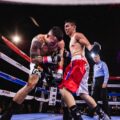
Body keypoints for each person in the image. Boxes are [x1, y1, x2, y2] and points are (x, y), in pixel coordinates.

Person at [0, 26, 65, 120]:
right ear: (47, 36)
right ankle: (8, 113)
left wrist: (59, 70)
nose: (53, 45)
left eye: (55, 43)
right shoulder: (37, 41)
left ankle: (66, 112)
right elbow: (34, 59)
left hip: (51, 65)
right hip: (38, 63)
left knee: (61, 84)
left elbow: (60, 58)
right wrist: (48, 60)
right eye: (51, 43)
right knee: (31, 84)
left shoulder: (60, 43)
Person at [59, 19, 110, 120]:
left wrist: (93, 48)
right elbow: (77, 51)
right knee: (83, 94)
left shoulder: (77, 35)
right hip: (78, 63)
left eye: (68, 26)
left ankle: (71, 116)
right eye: (65, 27)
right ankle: (102, 114)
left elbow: (88, 45)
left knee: (63, 88)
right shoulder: (72, 40)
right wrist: (67, 54)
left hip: (79, 64)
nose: (66, 28)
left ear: (74, 27)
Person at [91, 53, 110, 118]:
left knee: (104, 98)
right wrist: (93, 84)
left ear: (99, 57)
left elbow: (106, 73)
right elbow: (94, 76)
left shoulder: (103, 63)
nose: (95, 58)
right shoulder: (94, 66)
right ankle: (91, 113)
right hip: (96, 82)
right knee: (93, 98)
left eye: (96, 57)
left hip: (102, 81)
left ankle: (107, 115)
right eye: (94, 58)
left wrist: (105, 82)